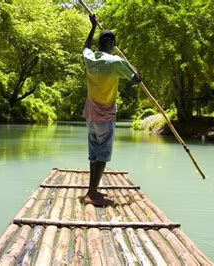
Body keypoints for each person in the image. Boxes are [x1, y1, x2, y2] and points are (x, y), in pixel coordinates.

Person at [82, 14, 141, 206]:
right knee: (102, 155)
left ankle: (92, 190)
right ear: (113, 43)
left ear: (100, 43)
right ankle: (92, 193)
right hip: (105, 115)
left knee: (94, 154)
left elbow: (85, 48)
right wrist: (134, 69)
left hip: (90, 115)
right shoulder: (116, 62)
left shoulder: (90, 58)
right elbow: (136, 79)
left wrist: (92, 27)